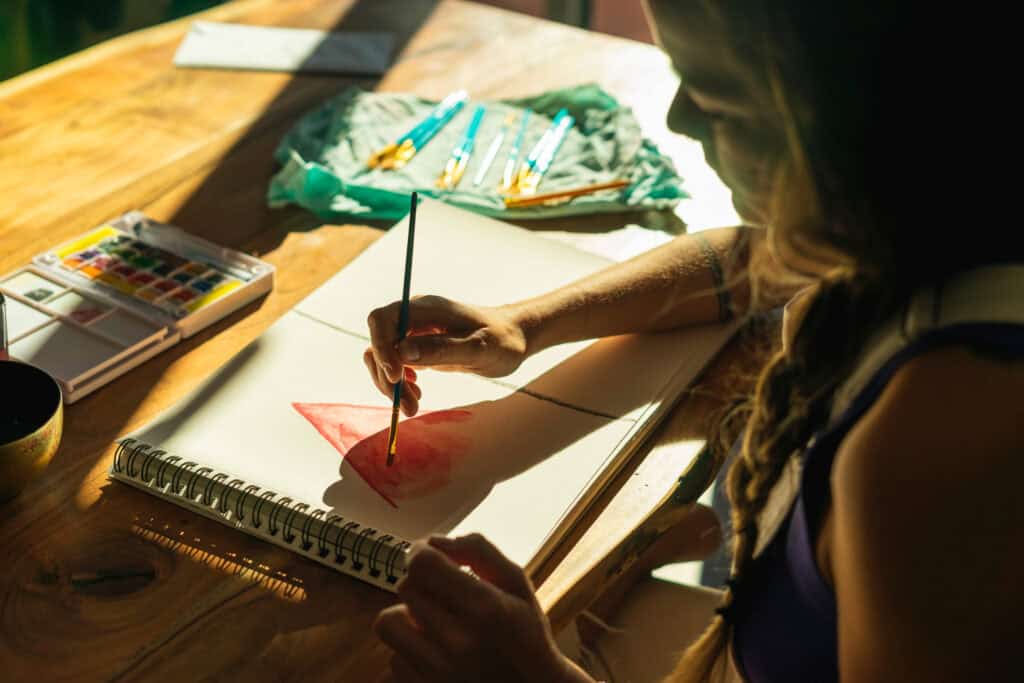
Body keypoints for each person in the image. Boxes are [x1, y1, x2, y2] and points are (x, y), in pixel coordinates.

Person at [365, 0, 1024, 680]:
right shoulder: (937, 211)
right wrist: (525, 324)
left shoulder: (941, 442)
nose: (679, 117)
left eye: (719, 96)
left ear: (851, 114)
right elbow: (750, 261)